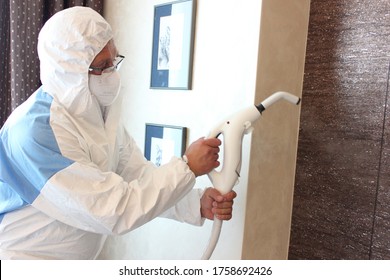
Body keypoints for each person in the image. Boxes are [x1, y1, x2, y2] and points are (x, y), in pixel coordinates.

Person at [0, 6, 236, 260]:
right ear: (70, 71)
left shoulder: (96, 111)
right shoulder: (35, 132)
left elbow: (137, 176)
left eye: (114, 60)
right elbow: (112, 209)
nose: (112, 72)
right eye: (102, 65)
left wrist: (194, 203)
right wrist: (187, 168)